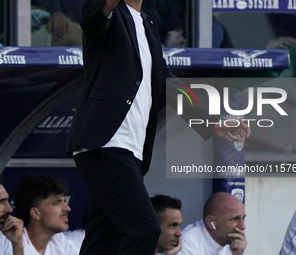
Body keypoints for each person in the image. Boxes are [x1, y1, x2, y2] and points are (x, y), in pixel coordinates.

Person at [68, 0, 250, 254]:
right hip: (106, 143)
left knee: (103, 238)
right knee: (145, 229)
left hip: (132, 151)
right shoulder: (109, 11)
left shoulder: (147, 23)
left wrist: (211, 123)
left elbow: (166, 83)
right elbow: (92, 21)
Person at [13, 175, 79, 255]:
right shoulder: (12, 243)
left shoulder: (59, 240)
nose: (67, 208)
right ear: (36, 213)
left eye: (64, 201)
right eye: (57, 203)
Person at [178, 192, 247, 255]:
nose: (243, 226)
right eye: (235, 219)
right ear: (210, 222)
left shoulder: (235, 244)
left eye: (243, 218)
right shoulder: (187, 243)